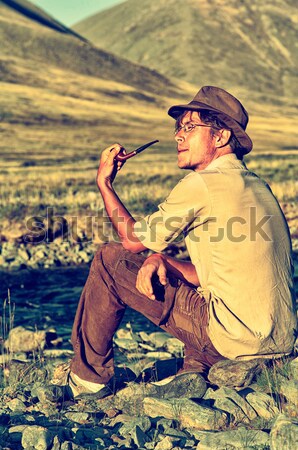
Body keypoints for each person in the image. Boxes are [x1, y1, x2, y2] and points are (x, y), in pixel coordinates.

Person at [64, 86, 297, 398]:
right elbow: (219, 274)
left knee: (110, 259)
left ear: (221, 137)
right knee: (173, 276)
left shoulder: (204, 183)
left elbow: (132, 241)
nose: (178, 136)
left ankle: (87, 379)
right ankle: (199, 369)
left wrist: (104, 183)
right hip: (277, 343)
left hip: (232, 339)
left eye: (190, 127)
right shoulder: (257, 186)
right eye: (178, 128)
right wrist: (163, 261)